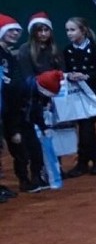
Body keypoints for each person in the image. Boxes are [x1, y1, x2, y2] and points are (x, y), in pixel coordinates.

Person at [15, 12, 64, 192]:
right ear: (33, 32)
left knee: (55, 137)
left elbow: (61, 73)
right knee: (35, 140)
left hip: (53, 100)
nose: (43, 34)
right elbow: (28, 78)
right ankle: (36, 174)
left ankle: (54, 169)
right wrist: (45, 85)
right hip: (32, 102)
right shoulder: (24, 50)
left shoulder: (55, 49)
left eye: (46, 30)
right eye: (39, 30)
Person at [63, 17, 96, 177]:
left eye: (72, 30)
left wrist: (87, 76)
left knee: (86, 129)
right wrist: (70, 75)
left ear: (83, 31)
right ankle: (94, 161)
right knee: (86, 128)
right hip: (76, 95)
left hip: (92, 94)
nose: (69, 33)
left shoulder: (95, 49)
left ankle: (86, 162)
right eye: (67, 30)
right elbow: (65, 70)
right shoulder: (68, 51)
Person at [0, 14, 25, 201]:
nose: (15, 33)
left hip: (8, 108)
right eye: (11, 30)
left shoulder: (9, 53)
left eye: (17, 30)